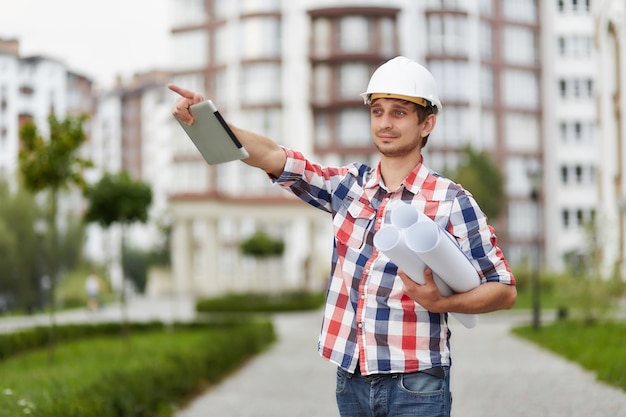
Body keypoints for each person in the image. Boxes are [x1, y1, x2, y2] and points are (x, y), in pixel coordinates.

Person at [169, 56, 516, 417]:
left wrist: (442, 304)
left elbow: (505, 290)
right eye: (377, 111)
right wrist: (211, 120)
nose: (384, 123)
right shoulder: (349, 187)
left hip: (416, 382)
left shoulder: (452, 201)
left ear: (427, 123)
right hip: (350, 378)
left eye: (399, 113)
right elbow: (274, 156)